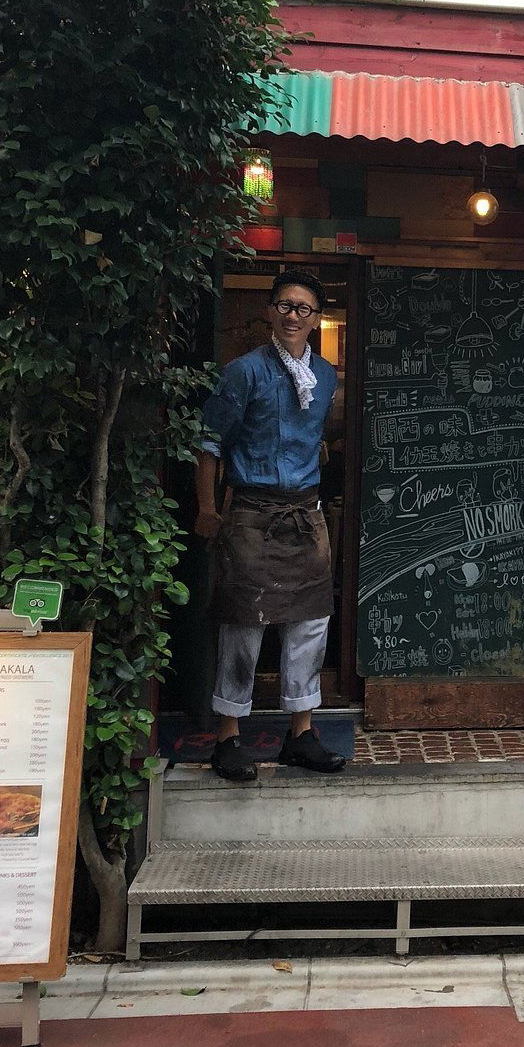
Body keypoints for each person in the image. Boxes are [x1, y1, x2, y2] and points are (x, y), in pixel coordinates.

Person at [195, 268, 346, 782]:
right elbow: (209, 443)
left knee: (310, 623)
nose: (292, 316)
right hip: (252, 512)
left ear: (316, 317)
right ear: (269, 311)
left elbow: (315, 439)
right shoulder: (243, 372)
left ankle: (301, 733)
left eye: (303, 308)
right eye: (284, 305)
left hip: (306, 513)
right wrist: (207, 509)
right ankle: (228, 737)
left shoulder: (326, 377)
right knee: (244, 623)